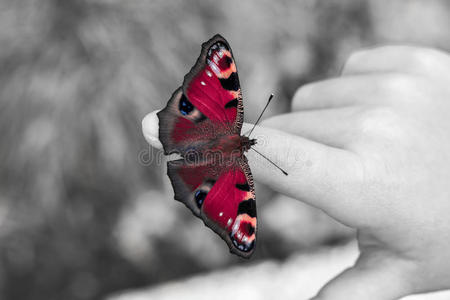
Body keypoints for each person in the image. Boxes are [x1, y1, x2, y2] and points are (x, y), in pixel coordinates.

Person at [142, 46, 450, 300]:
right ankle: (187, 169)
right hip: (205, 170)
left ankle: (181, 137)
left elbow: (220, 66)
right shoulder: (240, 169)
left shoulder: (232, 122)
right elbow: (241, 225)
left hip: (198, 129)